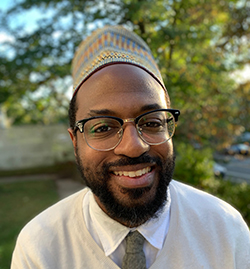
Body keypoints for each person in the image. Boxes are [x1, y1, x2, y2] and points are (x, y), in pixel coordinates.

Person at [11, 25, 250, 269]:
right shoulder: (40, 249)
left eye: (151, 122)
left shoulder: (225, 231)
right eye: (103, 127)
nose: (133, 146)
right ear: (75, 143)